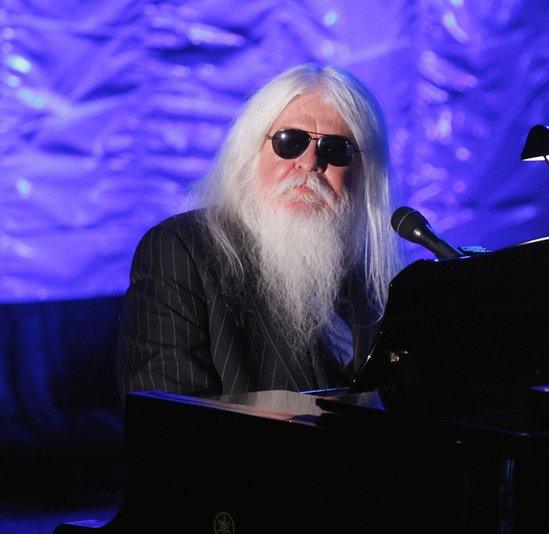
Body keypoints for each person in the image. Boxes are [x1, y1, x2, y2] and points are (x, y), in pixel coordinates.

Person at [116, 65, 399, 398]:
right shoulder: (181, 251)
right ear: (251, 152)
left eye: (336, 149)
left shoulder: (371, 277)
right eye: (289, 142)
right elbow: (167, 419)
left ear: (365, 172)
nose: (309, 163)